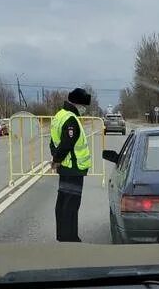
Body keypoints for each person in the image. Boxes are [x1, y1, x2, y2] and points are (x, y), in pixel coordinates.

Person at [50, 87, 92, 242]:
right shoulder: (71, 119)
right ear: (77, 103)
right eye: (83, 105)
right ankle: (70, 239)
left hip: (65, 168)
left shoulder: (59, 116)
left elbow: (53, 142)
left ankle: (62, 235)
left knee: (62, 202)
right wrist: (56, 160)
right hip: (73, 169)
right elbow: (67, 144)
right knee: (71, 204)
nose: (84, 109)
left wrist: (55, 159)